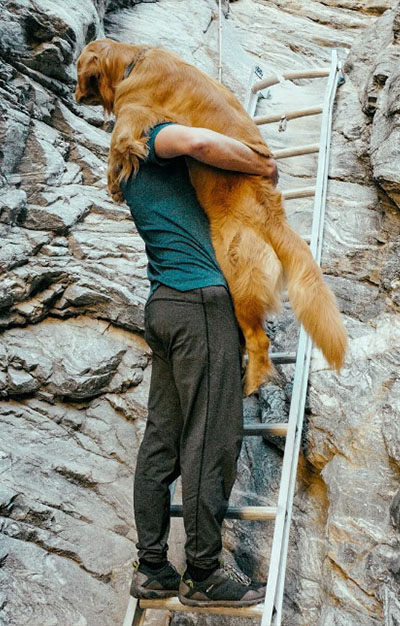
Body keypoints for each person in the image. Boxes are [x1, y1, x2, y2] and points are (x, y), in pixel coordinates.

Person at [123, 121, 277, 608]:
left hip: (164, 306)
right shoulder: (151, 134)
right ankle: (203, 574)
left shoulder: (127, 164)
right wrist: (261, 165)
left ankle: (151, 569)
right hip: (200, 306)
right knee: (212, 438)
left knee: (161, 442)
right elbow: (199, 141)